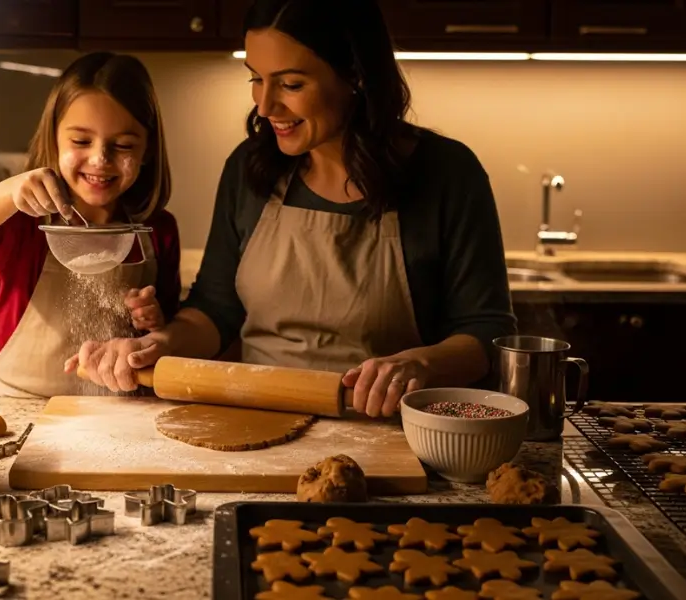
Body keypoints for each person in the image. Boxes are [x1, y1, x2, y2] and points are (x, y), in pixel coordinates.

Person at [66, 0, 516, 417]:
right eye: (256, 79)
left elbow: (485, 334)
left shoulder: (446, 173)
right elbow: (216, 310)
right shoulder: (251, 168)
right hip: (256, 422)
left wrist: (420, 364)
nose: (265, 105)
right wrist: (156, 344)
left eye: (291, 84)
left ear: (355, 74)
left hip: (395, 433)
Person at [0, 51, 182, 402]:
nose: (99, 159)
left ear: (148, 150)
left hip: (123, 412)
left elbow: (170, 328)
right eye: (81, 141)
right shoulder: (24, 221)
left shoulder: (158, 229)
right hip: (22, 404)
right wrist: (8, 191)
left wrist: (153, 321)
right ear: (53, 139)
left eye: (123, 145)